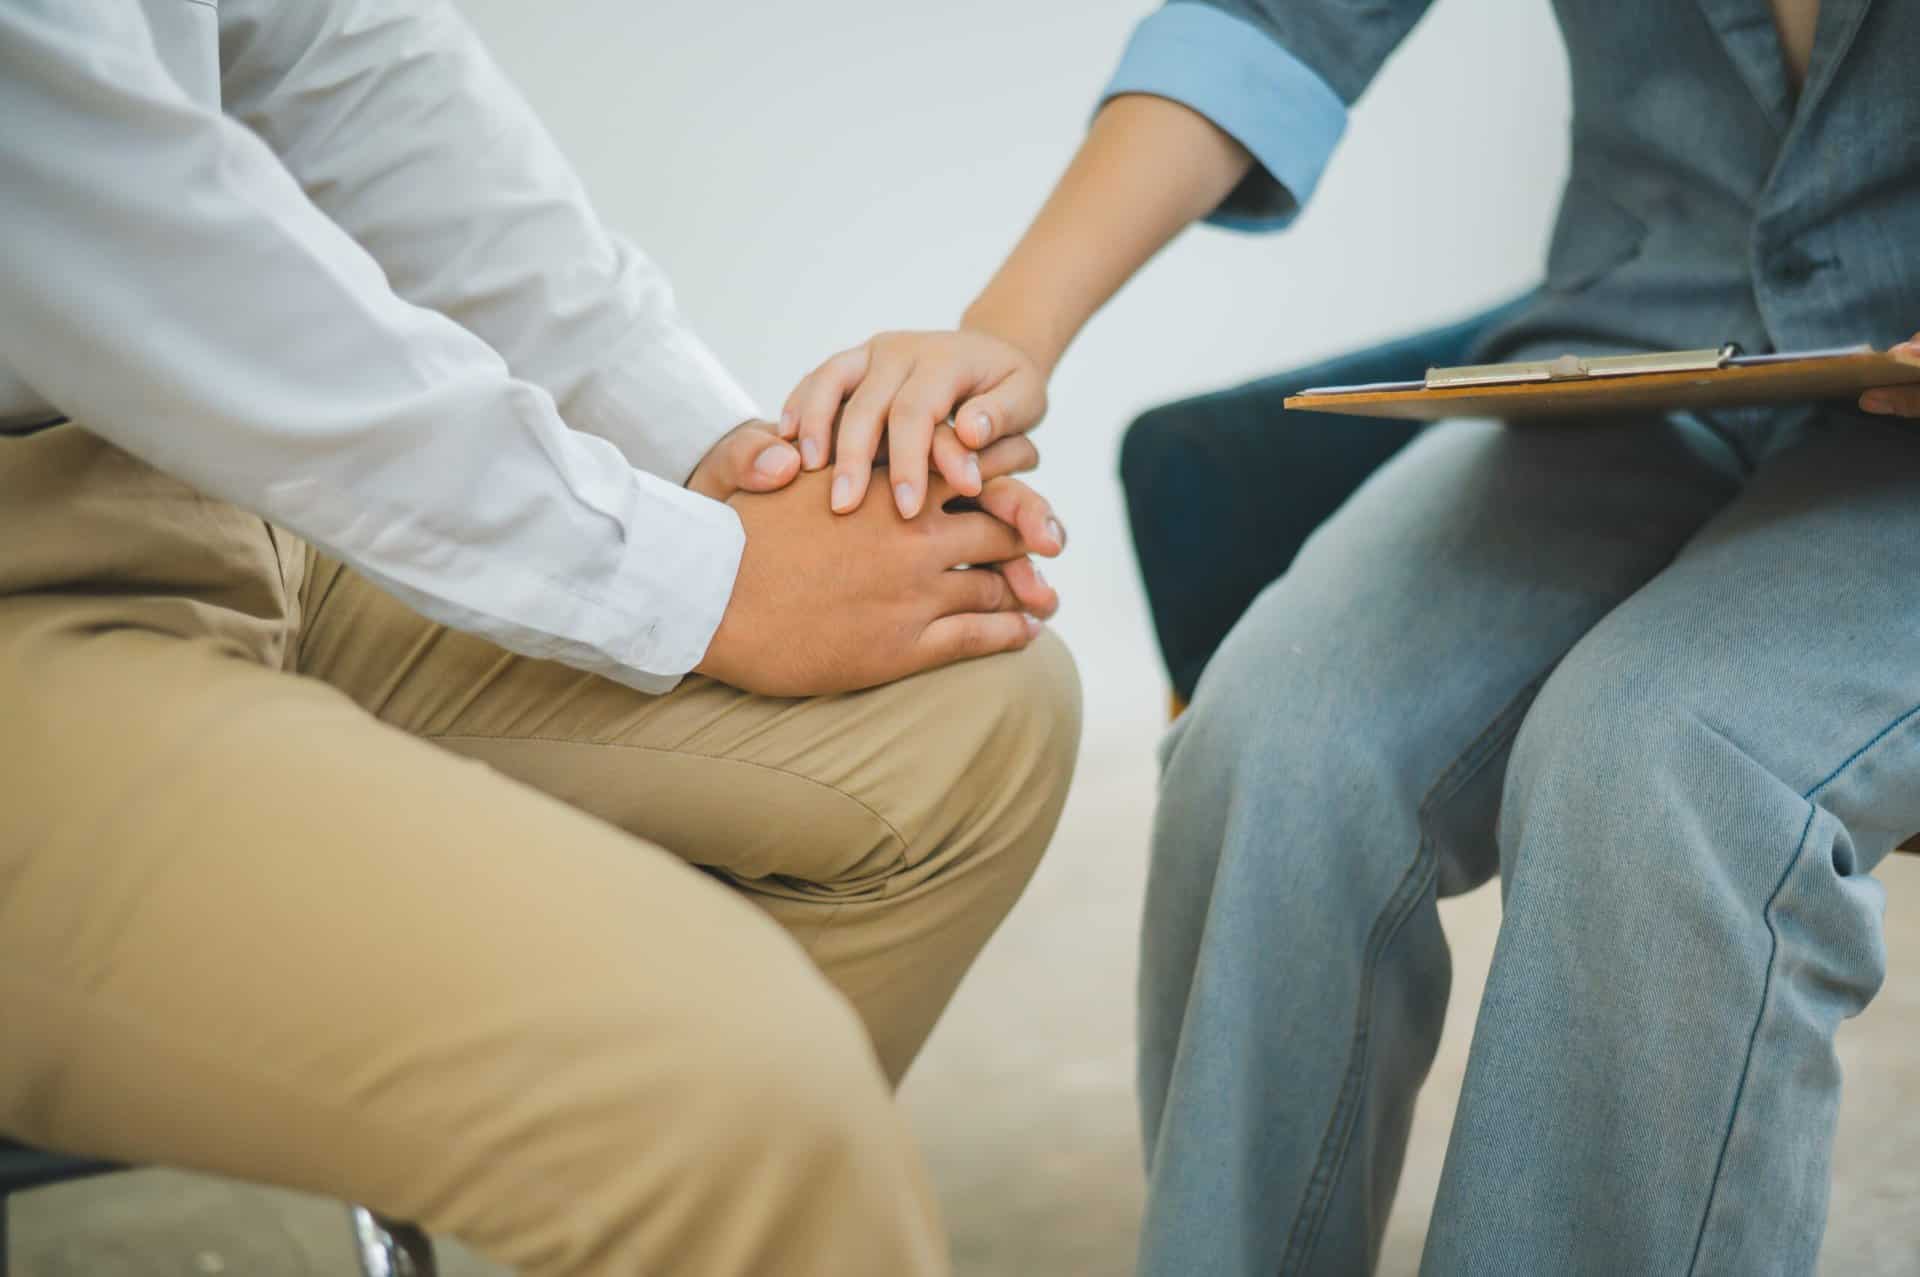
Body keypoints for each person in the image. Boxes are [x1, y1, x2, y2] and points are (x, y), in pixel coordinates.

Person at [785, 0, 1920, 1271]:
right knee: (1278, 735)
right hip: (1644, 347)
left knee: (1659, 760)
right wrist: (1007, 328)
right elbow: (1271, 21)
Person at [0, 2, 1081, 1274]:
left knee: (975, 704)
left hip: (221, 488)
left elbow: (326, 56)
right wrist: (702, 583)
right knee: (730, 1094)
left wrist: (724, 466)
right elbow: (97, 216)